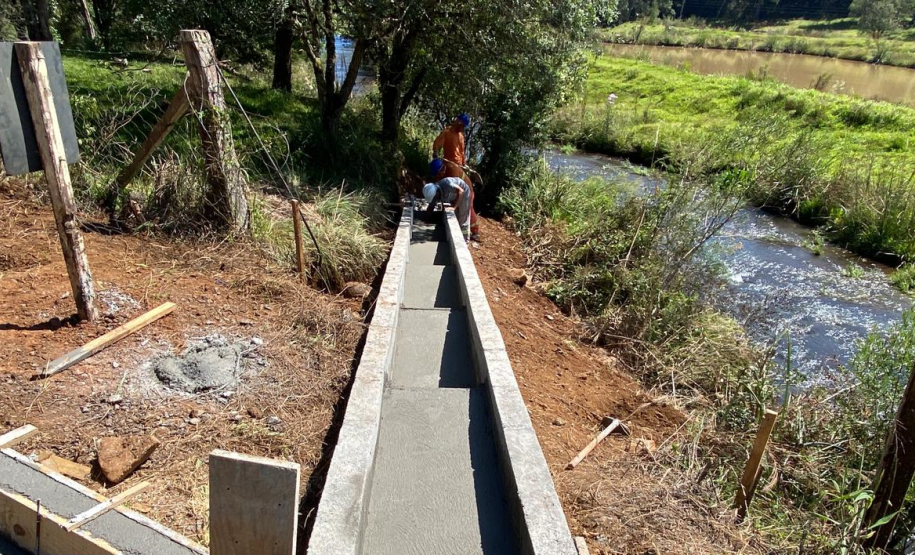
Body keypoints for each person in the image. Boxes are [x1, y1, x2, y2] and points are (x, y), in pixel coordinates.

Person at [423, 159, 478, 242]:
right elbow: (433, 202)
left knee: (464, 214)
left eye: (437, 175)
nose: (436, 177)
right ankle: (459, 234)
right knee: (457, 215)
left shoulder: (451, 173)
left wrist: (455, 207)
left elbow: (461, 191)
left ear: (442, 169)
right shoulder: (436, 186)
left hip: (465, 190)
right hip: (454, 192)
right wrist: (427, 217)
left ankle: (468, 237)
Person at [432, 113, 471, 182]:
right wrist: (435, 152)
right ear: (459, 123)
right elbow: (437, 142)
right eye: (463, 127)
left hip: (459, 167)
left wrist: (464, 164)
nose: (463, 129)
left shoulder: (461, 136)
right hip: (449, 165)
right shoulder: (447, 132)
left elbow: (462, 152)